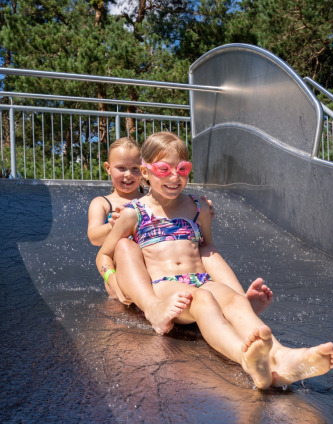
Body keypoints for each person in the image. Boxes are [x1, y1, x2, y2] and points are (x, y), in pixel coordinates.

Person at [96, 132, 333, 389]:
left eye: (182, 168)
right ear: (145, 172)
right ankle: (246, 359)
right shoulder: (134, 213)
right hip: (164, 286)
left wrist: (234, 292)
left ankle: (283, 358)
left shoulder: (197, 207)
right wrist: (115, 283)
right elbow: (105, 254)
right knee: (203, 300)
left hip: (199, 279)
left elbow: (207, 247)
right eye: (163, 169)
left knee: (233, 300)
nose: (174, 177)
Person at [87, 137, 273, 334]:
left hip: (155, 263)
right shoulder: (108, 204)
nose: (129, 175)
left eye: (134, 168)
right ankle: (151, 305)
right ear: (108, 168)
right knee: (125, 247)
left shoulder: (155, 197)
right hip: (125, 267)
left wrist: (194, 208)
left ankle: (239, 302)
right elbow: (95, 238)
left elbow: (174, 216)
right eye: (121, 168)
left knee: (207, 253)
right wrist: (115, 225)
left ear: (142, 172)